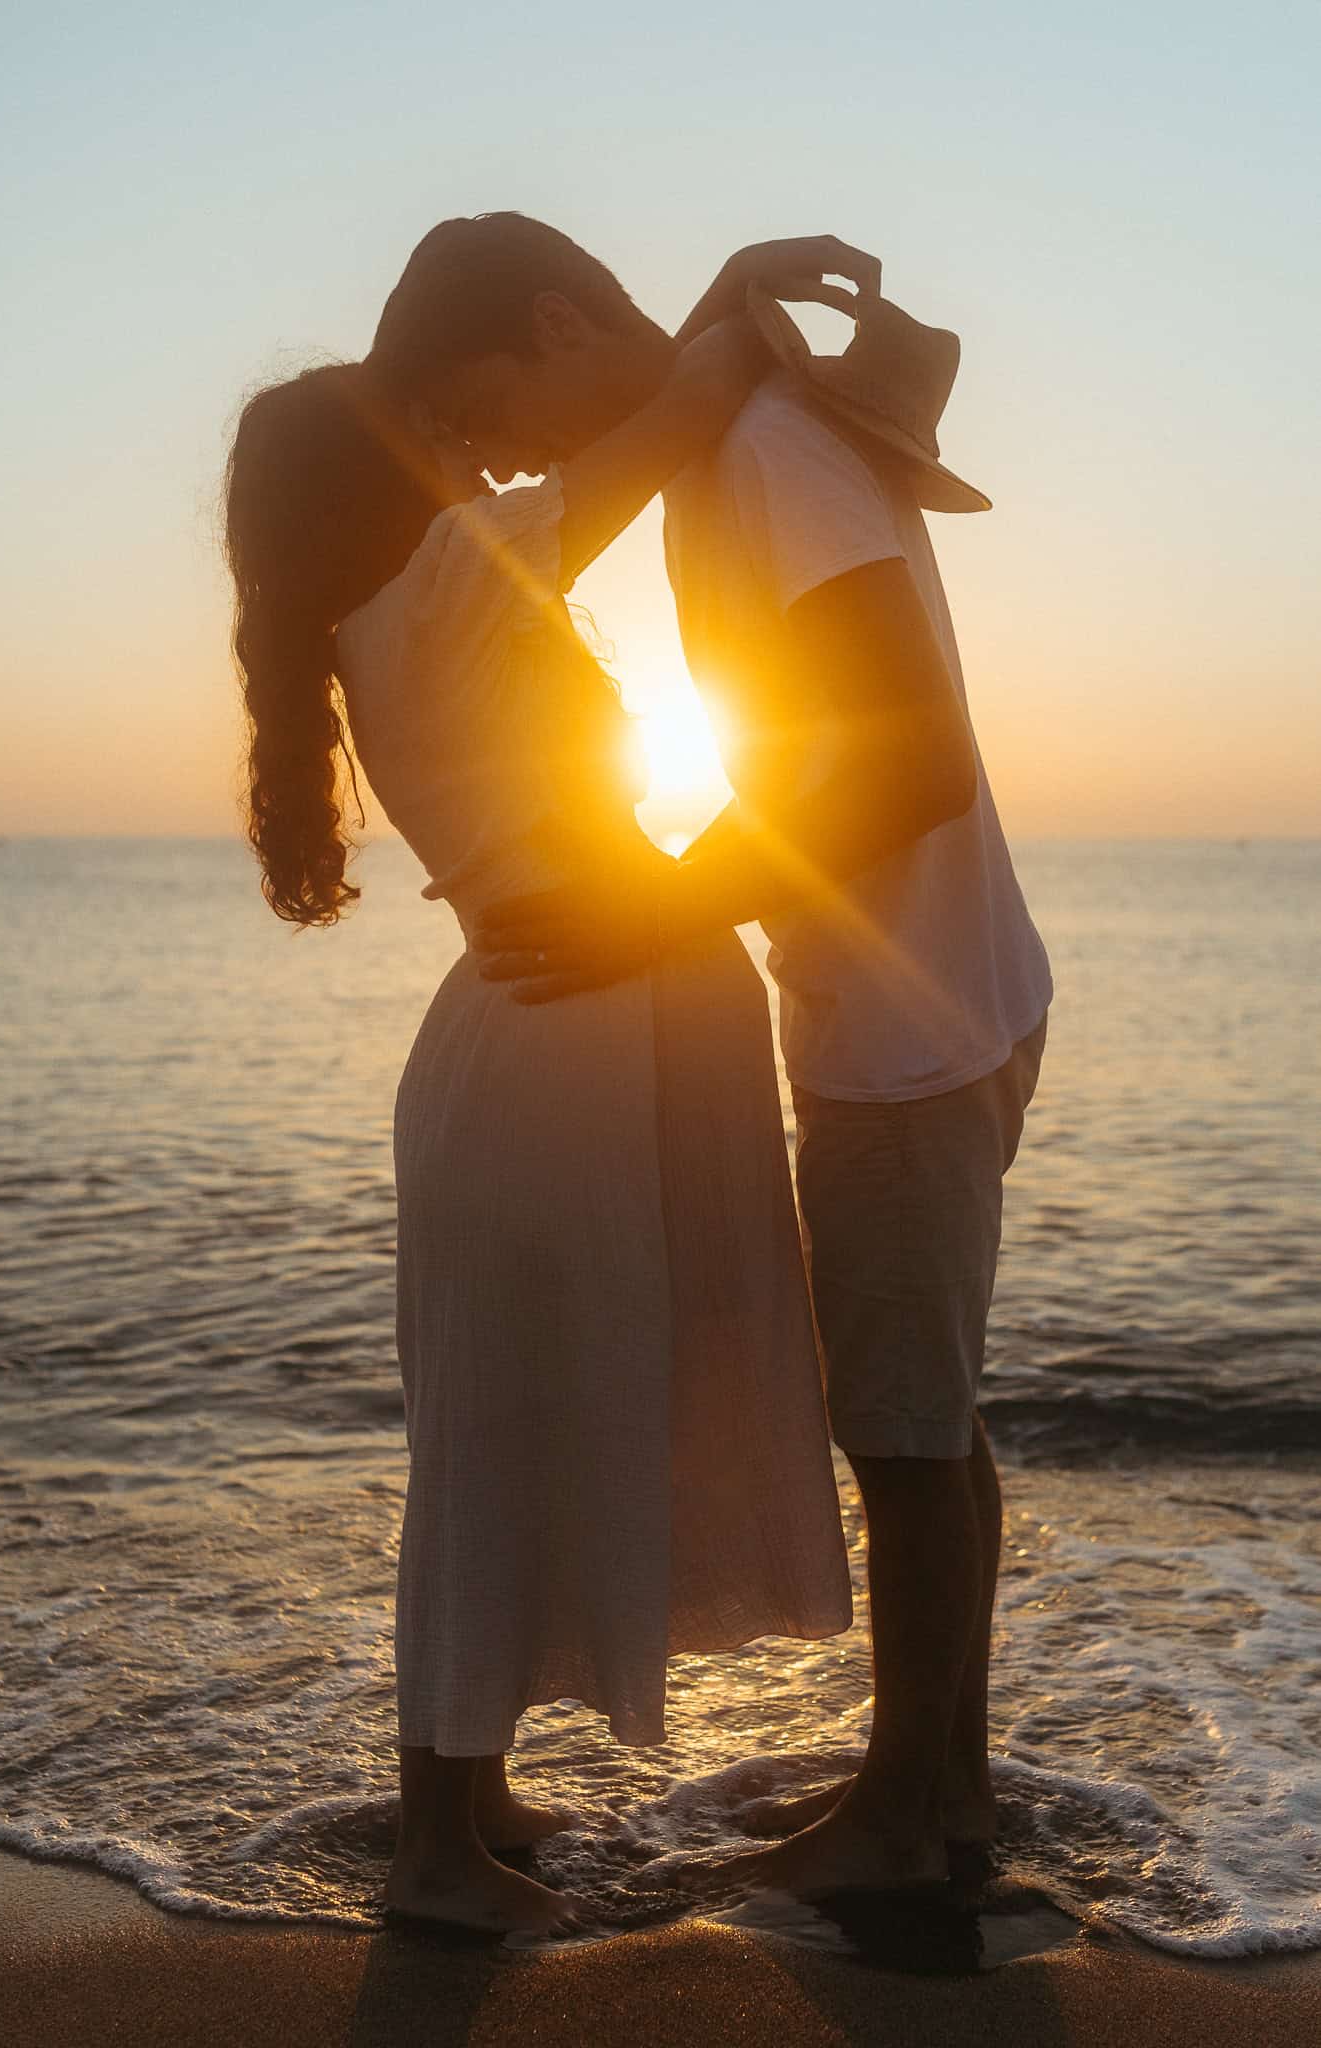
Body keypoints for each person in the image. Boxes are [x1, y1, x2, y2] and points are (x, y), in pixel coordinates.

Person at [372, 214, 1053, 1901]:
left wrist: (654, 910)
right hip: (927, 982)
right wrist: (720, 306)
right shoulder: (728, 441)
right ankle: (939, 1796)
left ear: (547, 325)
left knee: (900, 1430)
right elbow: (651, 399)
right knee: (925, 1416)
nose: (496, 459)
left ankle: (904, 1821)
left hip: (903, 1013)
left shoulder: (759, 463)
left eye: (484, 413)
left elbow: (903, 764)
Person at [222, 242, 863, 1937]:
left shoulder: (393, 622)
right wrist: (728, 287)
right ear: (387, 485)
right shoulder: (452, 576)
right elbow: (695, 397)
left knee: (498, 1437)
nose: (477, 457)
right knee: (501, 1448)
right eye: (435, 440)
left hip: (546, 1052)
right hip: (560, 1059)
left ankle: (467, 1788)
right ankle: (438, 1855)